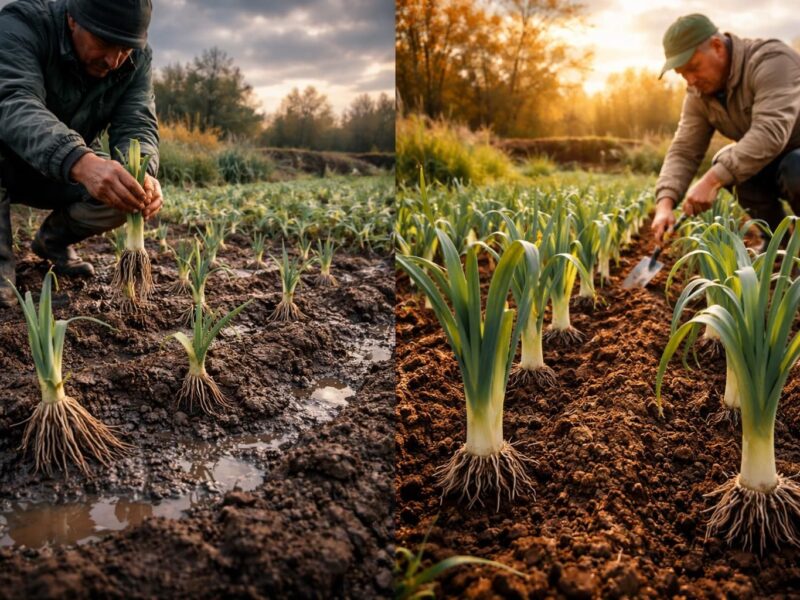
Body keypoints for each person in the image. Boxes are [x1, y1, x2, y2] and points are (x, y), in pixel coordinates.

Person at [0, 0, 162, 307]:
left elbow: (137, 124)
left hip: (61, 172)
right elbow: (13, 101)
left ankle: (53, 242)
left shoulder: (136, 58)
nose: (114, 61)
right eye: (104, 43)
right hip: (11, 161)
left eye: (125, 49)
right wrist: (79, 160)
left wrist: (143, 173)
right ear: (73, 20)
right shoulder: (20, 25)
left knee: (126, 192)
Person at [651, 14, 800, 243]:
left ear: (717, 46)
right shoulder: (698, 94)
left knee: (795, 167)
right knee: (732, 168)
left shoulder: (771, 61)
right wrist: (665, 203)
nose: (690, 81)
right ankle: (777, 250)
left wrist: (711, 181)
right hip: (771, 161)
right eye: (682, 74)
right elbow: (684, 150)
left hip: (794, 157)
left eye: (694, 67)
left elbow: (770, 133)